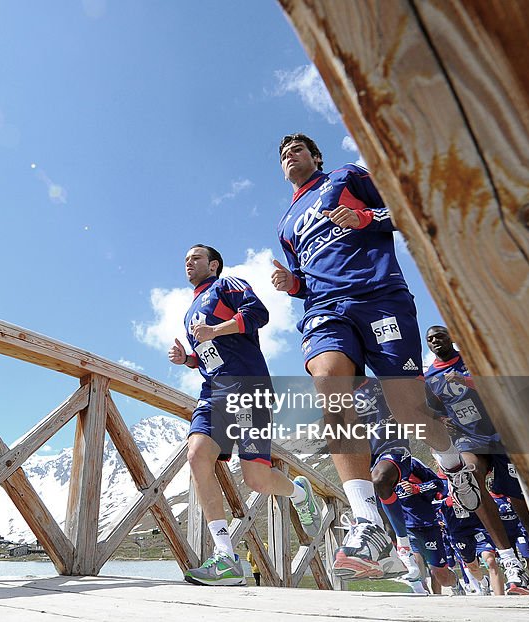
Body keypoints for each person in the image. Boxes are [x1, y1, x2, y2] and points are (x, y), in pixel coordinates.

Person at [271, 133, 477, 579]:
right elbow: (305, 278)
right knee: (329, 383)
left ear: (316, 157)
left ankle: (451, 464)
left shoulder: (346, 177)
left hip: (380, 297)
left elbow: (401, 211)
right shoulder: (286, 224)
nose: (290, 157)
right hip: (325, 310)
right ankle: (367, 521)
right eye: (284, 155)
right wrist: (293, 285)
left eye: (298, 150)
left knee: (409, 409)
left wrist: (364, 218)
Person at [171, 244, 322, 586]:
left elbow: (258, 314)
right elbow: (209, 353)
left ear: (213, 265)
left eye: (195, 258)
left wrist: (216, 330)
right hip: (212, 392)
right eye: (185, 260)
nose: (188, 264)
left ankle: (299, 493)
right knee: (196, 455)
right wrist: (188, 360)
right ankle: (226, 557)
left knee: (256, 478)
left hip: (248, 388)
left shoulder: (227, 286)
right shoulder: (188, 311)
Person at [424, 325, 529, 595]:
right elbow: (432, 410)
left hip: (502, 436)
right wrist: (441, 420)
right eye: (429, 339)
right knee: (469, 474)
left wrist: (465, 381)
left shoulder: (472, 360)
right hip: (470, 439)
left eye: (439, 335)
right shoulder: (430, 377)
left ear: (450, 338)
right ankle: (510, 562)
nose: (434, 341)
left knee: (523, 509)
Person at [353, 377, 426, 590]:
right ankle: (413, 579)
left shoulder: (380, 383)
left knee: (380, 480)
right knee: (379, 514)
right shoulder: (337, 397)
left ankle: (404, 547)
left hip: (393, 448)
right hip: (367, 457)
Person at [394, 457, 461, 594]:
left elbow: (438, 484)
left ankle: (455, 584)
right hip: (406, 528)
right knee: (417, 572)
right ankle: (426, 601)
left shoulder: (412, 462)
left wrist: (416, 488)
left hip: (428, 524)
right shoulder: (377, 469)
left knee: (440, 576)